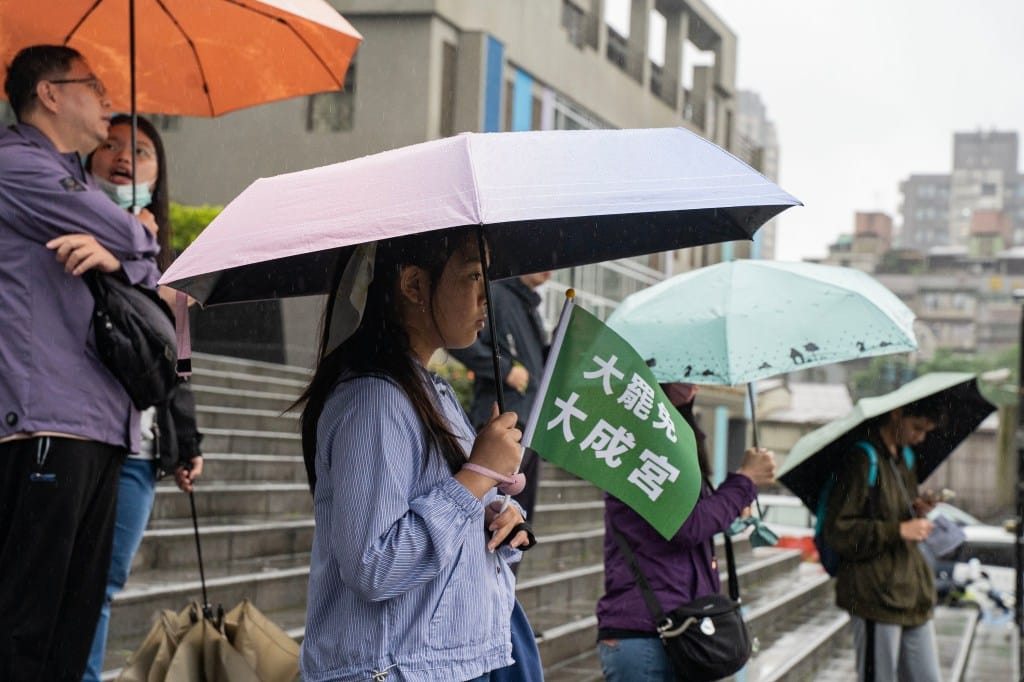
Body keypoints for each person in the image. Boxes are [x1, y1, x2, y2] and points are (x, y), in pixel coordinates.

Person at [296, 229, 534, 681]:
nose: (486, 297)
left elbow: (448, 513)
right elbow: (374, 565)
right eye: (472, 276)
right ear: (414, 285)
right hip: (397, 668)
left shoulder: (430, 391)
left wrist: (497, 517)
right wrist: (478, 475)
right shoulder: (374, 401)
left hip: (441, 662)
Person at [0, 45, 160, 680]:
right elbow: (135, 236)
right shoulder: (19, 164)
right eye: (92, 85)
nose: (107, 100)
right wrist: (132, 240)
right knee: (27, 629)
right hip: (46, 422)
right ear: (48, 94)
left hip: (99, 424)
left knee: (72, 629)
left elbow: (145, 268)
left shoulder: (72, 180)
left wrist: (125, 253)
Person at [81, 114, 204, 682]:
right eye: (110, 144)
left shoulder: (169, 271)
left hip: (139, 451)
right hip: (79, 435)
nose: (125, 157)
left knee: (103, 583)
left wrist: (188, 442)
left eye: (142, 151)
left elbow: (180, 365)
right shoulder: (71, 228)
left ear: (158, 176)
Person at [596, 383, 777, 681]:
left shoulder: (676, 439)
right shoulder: (637, 440)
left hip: (683, 629)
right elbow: (687, 525)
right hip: (646, 636)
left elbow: (692, 516)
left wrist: (732, 503)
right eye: (682, 376)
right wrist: (745, 480)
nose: (693, 384)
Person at [821, 396, 945, 682]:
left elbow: (892, 510)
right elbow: (839, 530)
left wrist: (915, 509)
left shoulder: (904, 458)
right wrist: (898, 530)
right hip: (874, 594)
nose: (920, 438)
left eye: (926, 431)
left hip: (911, 591)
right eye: (917, 428)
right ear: (897, 413)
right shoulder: (862, 458)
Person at [451, 271, 551, 523]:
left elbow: (537, 362)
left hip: (532, 423)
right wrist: (506, 370)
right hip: (502, 420)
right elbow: (462, 340)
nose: (548, 270)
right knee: (493, 509)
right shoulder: (494, 295)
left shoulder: (531, 307)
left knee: (518, 515)